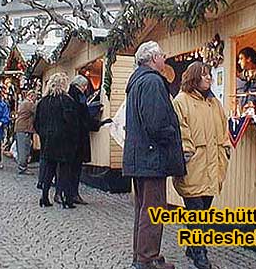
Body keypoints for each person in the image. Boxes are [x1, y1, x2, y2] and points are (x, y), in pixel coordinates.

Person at [123, 41, 185, 269]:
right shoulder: (152, 82)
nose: (165, 58)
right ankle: (146, 259)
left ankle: (142, 255)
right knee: (154, 210)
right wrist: (173, 136)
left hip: (140, 157)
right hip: (152, 157)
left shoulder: (138, 81)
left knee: (143, 208)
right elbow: (157, 123)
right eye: (162, 55)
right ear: (153, 58)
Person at [172, 62, 231, 269]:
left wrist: (225, 149)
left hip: (213, 165)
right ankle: (200, 253)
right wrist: (188, 153)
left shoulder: (214, 103)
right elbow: (180, 130)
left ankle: (192, 246)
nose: (208, 78)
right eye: (204, 75)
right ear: (194, 77)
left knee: (204, 210)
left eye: (209, 75)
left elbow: (224, 128)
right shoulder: (181, 101)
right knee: (195, 211)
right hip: (194, 165)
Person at [34, 73, 81, 209]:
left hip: (47, 140)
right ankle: (66, 198)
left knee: (49, 168)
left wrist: (43, 134)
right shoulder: (66, 100)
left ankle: (44, 197)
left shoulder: (42, 102)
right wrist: (74, 138)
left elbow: (36, 123)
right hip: (64, 141)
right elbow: (72, 123)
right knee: (65, 169)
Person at [67, 75, 112, 205]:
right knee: (75, 168)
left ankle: (67, 193)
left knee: (70, 168)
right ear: (79, 86)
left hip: (73, 138)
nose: (86, 88)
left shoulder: (71, 96)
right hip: (78, 138)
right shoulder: (79, 98)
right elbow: (83, 118)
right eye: (85, 86)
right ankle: (72, 194)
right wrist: (98, 123)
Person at [13, 90, 37, 175]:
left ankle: (23, 166)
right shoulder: (28, 104)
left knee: (23, 148)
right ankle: (22, 168)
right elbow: (36, 111)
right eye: (35, 97)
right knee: (24, 149)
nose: (35, 99)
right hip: (24, 129)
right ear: (31, 96)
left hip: (21, 128)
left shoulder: (24, 102)